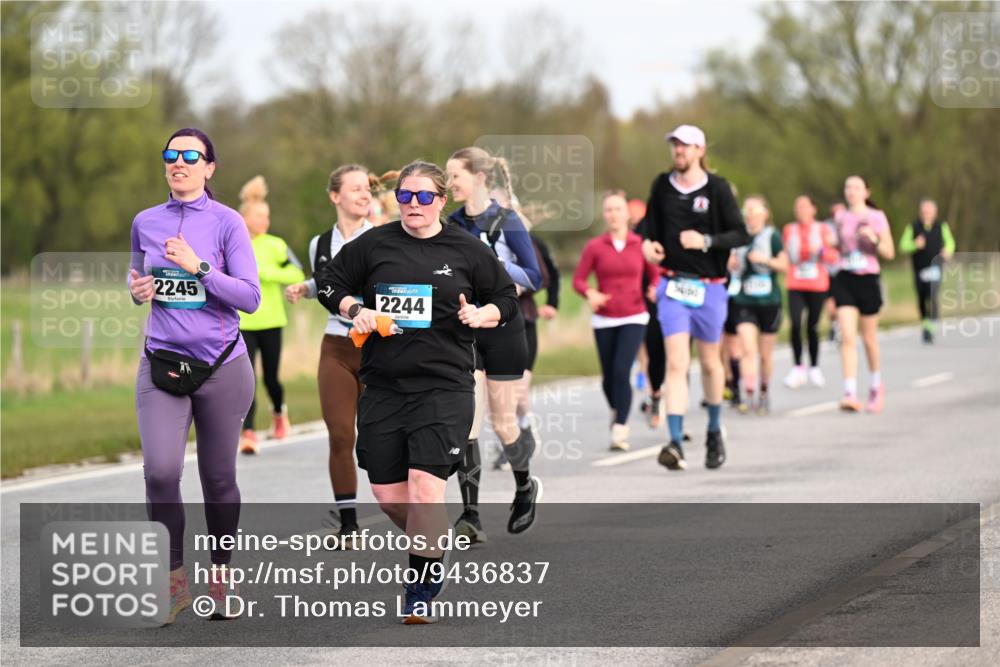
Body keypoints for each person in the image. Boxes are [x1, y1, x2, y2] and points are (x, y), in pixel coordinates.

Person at [314, 160, 521, 623]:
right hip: (384, 386)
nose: (413, 204)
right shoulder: (376, 243)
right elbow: (329, 282)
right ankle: (433, 543)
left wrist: (482, 315)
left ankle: (420, 588)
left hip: (444, 386)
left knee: (426, 490)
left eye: (424, 196)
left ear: (441, 201)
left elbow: (506, 298)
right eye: (405, 196)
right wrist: (356, 310)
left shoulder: (466, 249)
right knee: (389, 496)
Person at [128, 128, 260, 623]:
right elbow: (137, 275)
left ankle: (221, 576)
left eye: (190, 155)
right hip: (161, 360)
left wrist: (199, 267)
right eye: (171, 154)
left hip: (222, 365)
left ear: (209, 167)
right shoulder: (145, 221)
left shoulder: (228, 222)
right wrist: (138, 290)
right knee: (161, 471)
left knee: (218, 478)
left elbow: (250, 297)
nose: (178, 162)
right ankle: (174, 582)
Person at [446, 147, 543, 544]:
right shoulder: (451, 223)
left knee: (503, 423)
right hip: (466, 329)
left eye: (455, 176)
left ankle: (525, 486)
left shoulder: (508, 221)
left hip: (503, 327)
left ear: (480, 177)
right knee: (467, 423)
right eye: (448, 176)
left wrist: (496, 264)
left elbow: (535, 276)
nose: (450, 183)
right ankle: (470, 515)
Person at [641, 124, 750, 471]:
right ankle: (675, 442)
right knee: (677, 363)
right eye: (675, 145)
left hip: (710, 286)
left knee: (710, 363)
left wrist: (705, 241)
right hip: (673, 285)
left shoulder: (717, 189)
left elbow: (741, 234)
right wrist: (647, 246)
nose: (679, 151)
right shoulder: (662, 185)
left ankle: (714, 430)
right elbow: (646, 228)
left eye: (685, 146)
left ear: (700, 150)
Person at [285, 164, 376, 544]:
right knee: (340, 435)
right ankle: (349, 523)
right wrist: (305, 288)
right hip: (336, 346)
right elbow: (327, 282)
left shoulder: (384, 238)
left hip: (378, 348)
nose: (365, 194)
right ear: (335, 196)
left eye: (368, 188)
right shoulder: (319, 244)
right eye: (355, 188)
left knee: (377, 439)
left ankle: (409, 505)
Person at [574, 189, 659, 450]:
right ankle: (617, 409)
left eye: (618, 209)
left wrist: (654, 287)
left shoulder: (640, 244)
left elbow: (655, 273)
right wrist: (591, 293)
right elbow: (578, 280)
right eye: (609, 210)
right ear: (604, 214)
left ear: (627, 214)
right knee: (609, 377)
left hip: (635, 315)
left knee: (622, 370)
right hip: (605, 318)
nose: (613, 214)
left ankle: (620, 428)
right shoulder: (595, 247)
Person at [237, 175, 305, 454]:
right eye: (259, 216)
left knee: (271, 379)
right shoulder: (235, 242)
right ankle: (248, 432)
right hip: (243, 322)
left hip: (272, 322)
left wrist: (266, 273)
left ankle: (278, 412)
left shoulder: (277, 244)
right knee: (246, 380)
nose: (265, 221)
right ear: (245, 217)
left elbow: (297, 274)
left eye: (267, 216)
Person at [831, 175, 895, 413]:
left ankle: (876, 386)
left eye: (856, 187)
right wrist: (830, 243)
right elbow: (840, 247)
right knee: (847, 337)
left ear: (866, 192)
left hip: (868, 278)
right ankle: (849, 392)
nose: (851, 191)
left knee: (868, 339)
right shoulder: (840, 217)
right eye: (848, 187)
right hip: (845, 277)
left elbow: (889, 252)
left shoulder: (876, 216)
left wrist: (874, 239)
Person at [727, 196, 789, 415]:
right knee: (747, 349)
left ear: (765, 214)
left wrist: (765, 260)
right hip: (744, 300)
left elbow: (784, 265)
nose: (750, 216)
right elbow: (729, 262)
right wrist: (730, 263)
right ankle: (748, 392)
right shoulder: (738, 236)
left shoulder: (772, 236)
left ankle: (763, 392)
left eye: (755, 211)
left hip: (769, 301)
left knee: (764, 354)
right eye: (747, 211)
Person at [782, 194, 839, 388]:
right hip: (795, 283)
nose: (801, 211)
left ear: (813, 209)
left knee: (812, 326)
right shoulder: (789, 230)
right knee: (795, 324)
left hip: (817, 284)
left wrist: (821, 251)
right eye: (797, 207)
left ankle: (814, 366)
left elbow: (834, 256)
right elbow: (784, 255)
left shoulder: (823, 229)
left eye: (805, 206)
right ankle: (798, 366)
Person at [899, 198, 955, 344]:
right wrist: (914, 244)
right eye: (924, 212)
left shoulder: (942, 226)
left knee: (933, 295)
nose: (926, 214)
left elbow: (950, 242)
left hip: (935, 267)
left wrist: (947, 251)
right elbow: (903, 246)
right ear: (920, 212)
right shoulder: (913, 227)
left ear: (935, 212)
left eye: (929, 211)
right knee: (922, 298)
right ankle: (925, 325)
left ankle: (931, 327)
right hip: (919, 269)